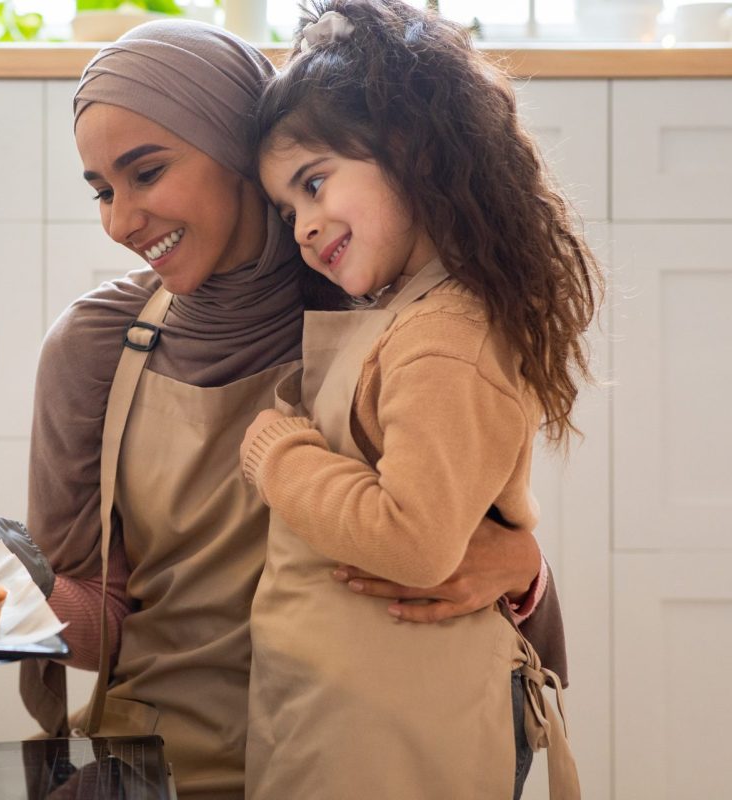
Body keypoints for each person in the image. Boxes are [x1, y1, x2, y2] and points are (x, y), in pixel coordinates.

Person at [18, 18, 568, 799]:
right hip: (166, 766)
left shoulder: (384, 313)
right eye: (104, 190)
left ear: (239, 153)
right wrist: (6, 588)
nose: (119, 219)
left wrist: (524, 569)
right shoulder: (95, 346)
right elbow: (103, 615)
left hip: (362, 758)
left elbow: (451, 544)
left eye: (146, 173)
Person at [238, 2, 600, 798]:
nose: (302, 226)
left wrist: (279, 453)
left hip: (403, 725)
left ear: (410, 149)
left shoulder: (444, 336)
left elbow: (417, 540)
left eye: (315, 182)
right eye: (287, 208)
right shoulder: (405, 314)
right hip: (352, 713)